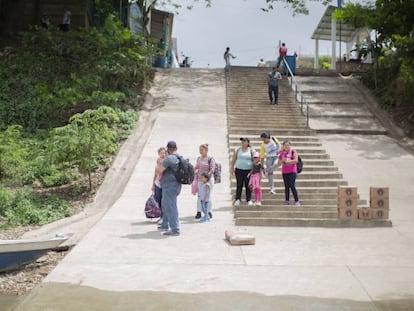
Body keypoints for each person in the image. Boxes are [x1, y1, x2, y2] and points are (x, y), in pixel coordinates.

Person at [156, 141, 182, 236]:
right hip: (175, 185)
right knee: (165, 204)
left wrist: (159, 163)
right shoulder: (178, 157)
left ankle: (175, 229)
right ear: (176, 148)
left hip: (170, 186)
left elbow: (159, 171)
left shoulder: (169, 159)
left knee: (171, 206)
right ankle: (165, 224)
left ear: (167, 149)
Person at [230, 137, 254, 206]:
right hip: (239, 170)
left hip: (248, 170)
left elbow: (254, 160)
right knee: (239, 184)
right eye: (242, 141)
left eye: (244, 141)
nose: (242, 142)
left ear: (248, 143)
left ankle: (248, 199)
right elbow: (234, 159)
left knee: (248, 185)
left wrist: (253, 170)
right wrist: (232, 167)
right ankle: (238, 199)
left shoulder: (251, 150)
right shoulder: (237, 150)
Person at [194, 144, 215, 219]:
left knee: (208, 196)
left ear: (206, 150)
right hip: (200, 180)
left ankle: (209, 211)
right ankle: (199, 211)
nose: (200, 151)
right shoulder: (199, 158)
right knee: (200, 196)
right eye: (200, 150)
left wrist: (206, 177)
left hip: (208, 180)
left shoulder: (210, 159)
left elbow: (212, 169)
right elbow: (196, 167)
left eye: (202, 150)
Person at [277, 141, 300, 206]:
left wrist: (288, 161)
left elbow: (296, 160)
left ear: (290, 145)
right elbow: (278, 164)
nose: (287, 146)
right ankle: (287, 200)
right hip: (284, 172)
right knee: (286, 186)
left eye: (288, 145)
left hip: (292, 171)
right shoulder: (282, 154)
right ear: (283, 146)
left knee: (292, 185)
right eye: (285, 145)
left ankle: (297, 200)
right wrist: (282, 160)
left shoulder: (293, 151)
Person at [152, 147, 167, 223]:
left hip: (164, 184)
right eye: (161, 153)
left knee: (163, 201)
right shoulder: (158, 161)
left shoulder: (167, 161)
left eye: (164, 153)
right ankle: (161, 216)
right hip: (157, 183)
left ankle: (164, 217)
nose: (163, 154)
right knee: (158, 200)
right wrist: (153, 184)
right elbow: (155, 173)